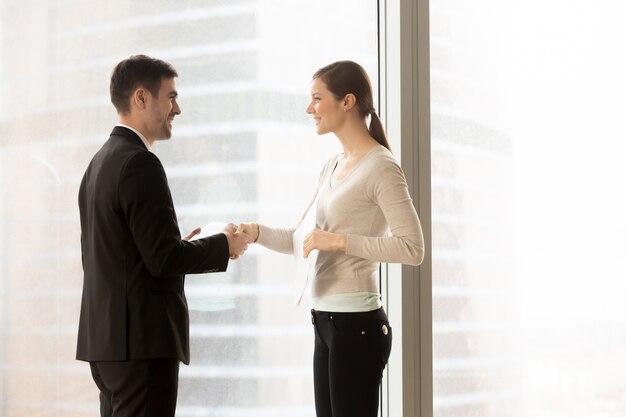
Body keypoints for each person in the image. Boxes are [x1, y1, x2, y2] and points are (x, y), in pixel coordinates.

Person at [238, 60, 425, 417]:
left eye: (317, 99)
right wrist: (255, 232)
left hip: (358, 327)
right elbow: (303, 238)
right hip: (326, 323)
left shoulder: (381, 166)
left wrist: (340, 242)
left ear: (347, 101)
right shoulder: (332, 166)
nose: (310, 109)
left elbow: (412, 247)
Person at [76, 55, 251, 417]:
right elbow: (163, 260)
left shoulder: (98, 164)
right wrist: (224, 244)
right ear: (141, 98)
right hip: (141, 346)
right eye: (171, 97)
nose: (178, 108)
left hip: (106, 345)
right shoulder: (140, 162)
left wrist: (178, 246)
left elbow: (118, 256)